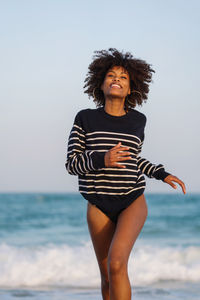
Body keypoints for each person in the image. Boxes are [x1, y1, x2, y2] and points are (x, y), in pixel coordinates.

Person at [65, 48, 186, 300]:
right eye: (111, 75)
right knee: (107, 274)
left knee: (118, 264)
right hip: (98, 203)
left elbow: (133, 159)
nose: (116, 80)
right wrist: (103, 158)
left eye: (123, 77)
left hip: (131, 199)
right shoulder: (85, 118)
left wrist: (160, 173)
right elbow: (72, 163)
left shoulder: (138, 121)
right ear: (100, 83)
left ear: (131, 88)